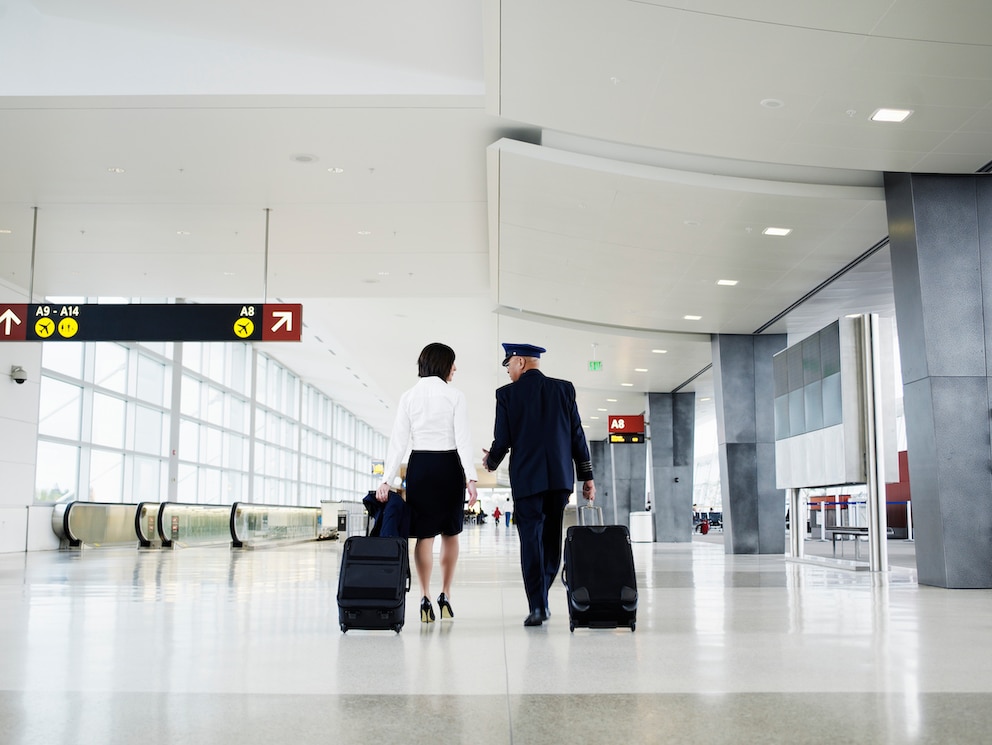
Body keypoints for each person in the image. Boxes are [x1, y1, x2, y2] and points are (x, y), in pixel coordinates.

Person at [482, 343, 596, 627]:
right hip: (559, 479)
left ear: (520, 361)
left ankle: (537, 605)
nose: (507, 371)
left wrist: (491, 463)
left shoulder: (506, 395)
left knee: (530, 541)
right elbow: (576, 435)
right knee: (551, 540)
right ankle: (541, 595)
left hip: (527, 480)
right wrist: (587, 476)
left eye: (508, 364)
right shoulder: (564, 389)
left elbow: (502, 438)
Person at [377, 343, 478, 623]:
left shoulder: (409, 396)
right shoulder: (455, 396)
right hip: (449, 465)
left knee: (425, 535)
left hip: (420, 466)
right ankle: (446, 593)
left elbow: (398, 441)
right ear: (443, 364)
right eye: (453, 364)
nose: (455, 369)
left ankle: (424, 597)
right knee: (451, 533)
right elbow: (463, 440)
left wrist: (386, 480)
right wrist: (471, 477)